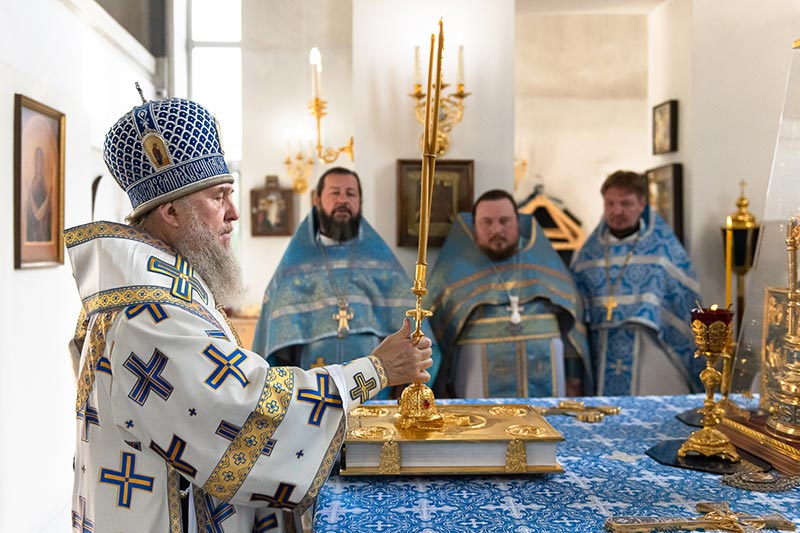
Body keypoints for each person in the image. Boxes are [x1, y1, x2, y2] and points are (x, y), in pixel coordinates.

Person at [65, 95, 433, 532]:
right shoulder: (147, 310)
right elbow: (241, 407)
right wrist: (372, 370)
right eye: (219, 196)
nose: (235, 213)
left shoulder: (157, 287)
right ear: (170, 211)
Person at [252, 167, 441, 399]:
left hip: (376, 397)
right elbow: (274, 350)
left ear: (360, 201)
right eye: (335, 193)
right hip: (312, 399)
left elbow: (418, 343)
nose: (343, 200)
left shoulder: (383, 265)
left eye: (350, 194)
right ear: (316, 199)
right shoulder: (292, 269)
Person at [428, 189, 591, 398]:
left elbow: (572, 329)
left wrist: (574, 379)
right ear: (474, 226)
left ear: (519, 222)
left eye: (505, 221)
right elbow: (436, 335)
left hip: (546, 386)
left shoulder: (545, 265)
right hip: (477, 385)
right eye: (487, 222)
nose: (496, 229)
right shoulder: (452, 273)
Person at [571, 170, 702, 396]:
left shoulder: (663, 250)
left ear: (642, 204)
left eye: (626, 203)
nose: (616, 211)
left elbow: (682, 305)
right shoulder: (588, 255)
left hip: (652, 352)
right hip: (601, 351)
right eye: (610, 203)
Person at [26, 146, 52, 242]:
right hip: (33, 231)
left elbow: (42, 213)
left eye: (40, 160)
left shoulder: (46, 183)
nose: (38, 163)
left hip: (44, 229)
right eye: (37, 160)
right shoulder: (32, 184)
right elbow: (36, 214)